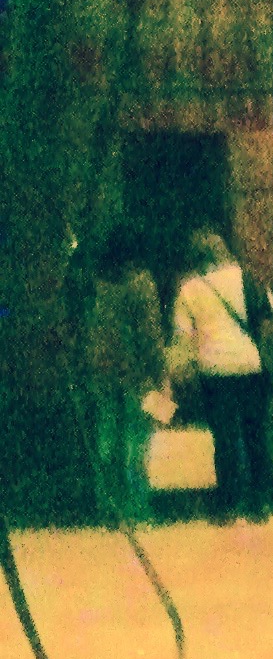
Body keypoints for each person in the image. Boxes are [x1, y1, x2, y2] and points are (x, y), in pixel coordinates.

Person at [170, 228, 273, 522]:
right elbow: (268, 312)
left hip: (214, 369)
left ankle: (228, 503)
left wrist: (180, 372)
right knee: (255, 434)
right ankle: (258, 503)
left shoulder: (189, 289)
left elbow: (184, 335)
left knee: (225, 438)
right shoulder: (248, 278)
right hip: (250, 365)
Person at [84, 224, 166, 525]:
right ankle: (137, 506)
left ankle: (108, 506)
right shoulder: (141, 282)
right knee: (136, 438)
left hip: (102, 369)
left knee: (106, 437)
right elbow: (149, 332)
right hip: (135, 372)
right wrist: (159, 371)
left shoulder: (99, 284)